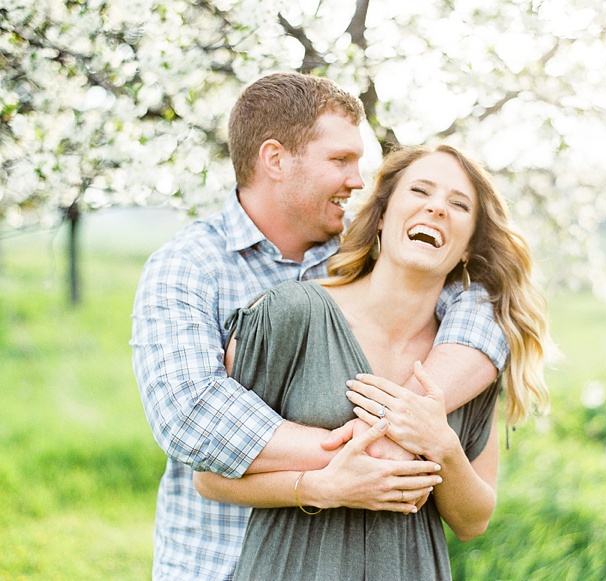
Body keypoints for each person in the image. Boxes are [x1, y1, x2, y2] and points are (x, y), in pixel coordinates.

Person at [131, 72, 510, 580]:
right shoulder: (191, 267)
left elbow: (480, 305)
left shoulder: (358, 261)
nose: (357, 180)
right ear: (275, 159)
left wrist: (423, 427)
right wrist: (371, 446)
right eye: (340, 161)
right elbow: (191, 417)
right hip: (217, 562)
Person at [194, 144, 551, 580]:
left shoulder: (470, 364)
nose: (437, 208)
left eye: (458, 205)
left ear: (467, 249)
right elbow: (209, 477)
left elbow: (473, 521)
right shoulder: (290, 315)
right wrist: (319, 487)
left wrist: (443, 446)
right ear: (382, 216)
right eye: (420, 191)